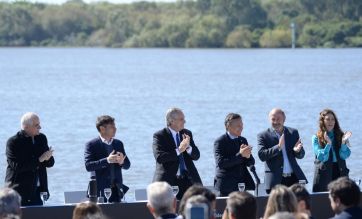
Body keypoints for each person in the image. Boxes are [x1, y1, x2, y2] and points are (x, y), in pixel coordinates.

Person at [5, 112, 54, 206]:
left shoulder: (42, 138)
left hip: (38, 191)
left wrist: (48, 158)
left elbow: (50, 163)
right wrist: (40, 159)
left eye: (39, 124)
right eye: (37, 125)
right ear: (26, 127)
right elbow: (18, 167)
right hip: (17, 193)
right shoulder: (13, 142)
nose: (40, 127)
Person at [152, 108, 202, 200]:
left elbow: (197, 156)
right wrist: (179, 150)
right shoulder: (160, 135)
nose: (184, 121)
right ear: (172, 121)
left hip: (188, 179)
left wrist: (188, 148)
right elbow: (160, 157)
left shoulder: (187, 133)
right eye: (181, 119)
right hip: (169, 181)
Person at [257, 108, 307, 193]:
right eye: (273, 119)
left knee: (296, 205)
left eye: (278, 119)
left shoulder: (293, 132)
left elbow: (301, 155)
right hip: (275, 181)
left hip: (294, 179)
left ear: (284, 119)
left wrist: (297, 151)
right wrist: (278, 147)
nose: (276, 122)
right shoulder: (263, 135)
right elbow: (262, 156)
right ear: (269, 120)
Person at [84, 115, 130, 202]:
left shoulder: (118, 143)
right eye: (112, 126)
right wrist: (107, 160)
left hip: (117, 191)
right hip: (98, 192)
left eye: (115, 126)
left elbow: (127, 165)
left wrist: (122, 162)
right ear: (102, 129)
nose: (115, 129)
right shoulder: (91, 145)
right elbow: (88, 166)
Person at [214, 113, 255, 196]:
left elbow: (250, 162)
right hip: (226, 186)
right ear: (228, 126)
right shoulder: (220, 141)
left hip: (242, 184)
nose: (241, 127)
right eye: (238, 125)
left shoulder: (243, 140)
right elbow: (221, 163)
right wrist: (240, 154)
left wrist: (248, 157)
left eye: (242, 125)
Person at [312, 109, 351, 192]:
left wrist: (343, 143)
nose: (331, 122)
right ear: (323, 121)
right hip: (323, 175)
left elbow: (345, 155)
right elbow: (322, 157)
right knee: (323, 202)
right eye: (328, 119)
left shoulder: (341, 135)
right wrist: (328, 144)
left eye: (333, 119)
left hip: (340, 172)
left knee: (343, 201)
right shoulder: (316, 137)